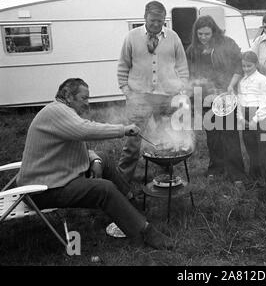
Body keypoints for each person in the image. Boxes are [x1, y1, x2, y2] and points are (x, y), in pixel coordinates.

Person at [15, 78, 172, 249]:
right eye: (84, 98)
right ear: (68, 96)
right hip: (42, 190)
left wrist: (95, 160)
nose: (88, 103)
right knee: (104, 189)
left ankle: (133, 208)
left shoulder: (62, 112)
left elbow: (79, 146)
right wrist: (123, 129)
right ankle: (145, 232)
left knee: (103, 157)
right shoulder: (56, 112)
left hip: (57, 177)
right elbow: (84, 130)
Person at [117, 0, 189, 181]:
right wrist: (127, 92)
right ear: (144, 18)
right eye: (152, 21)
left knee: (168, 138)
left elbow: (182, 67)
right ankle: (122, 182)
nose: (157, 24)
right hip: (139, 98)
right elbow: (123, 66)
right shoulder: (131, 37)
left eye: (160, 21)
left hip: (167, 98)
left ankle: (166, 175)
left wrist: (181, 89)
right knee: (133, 142)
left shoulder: (173, 37)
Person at [186, 15, 245, 179]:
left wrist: (231, 85)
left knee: (229, 134)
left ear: (214, 32)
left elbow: (239, 66)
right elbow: (190, 74)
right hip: (205, 97)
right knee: (212, 136)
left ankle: (237, 173)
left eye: (207, 34)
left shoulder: (227, 44)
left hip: (225, 94)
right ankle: (216, 169)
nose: (203, 38)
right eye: (200, 34)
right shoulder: (192, 50)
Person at [237, 51, 266, 180]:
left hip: (260, 116)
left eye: (249, 66)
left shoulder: (262, 79)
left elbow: (265, 102)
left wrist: (255, 119)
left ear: (256, 64)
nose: (246, 69)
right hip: (246, 114)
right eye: (244, 66)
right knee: (250, 146)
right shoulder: (242, 81)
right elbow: (240, 99)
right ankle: (254, 174)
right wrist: (240, 117)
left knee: (263, 147)